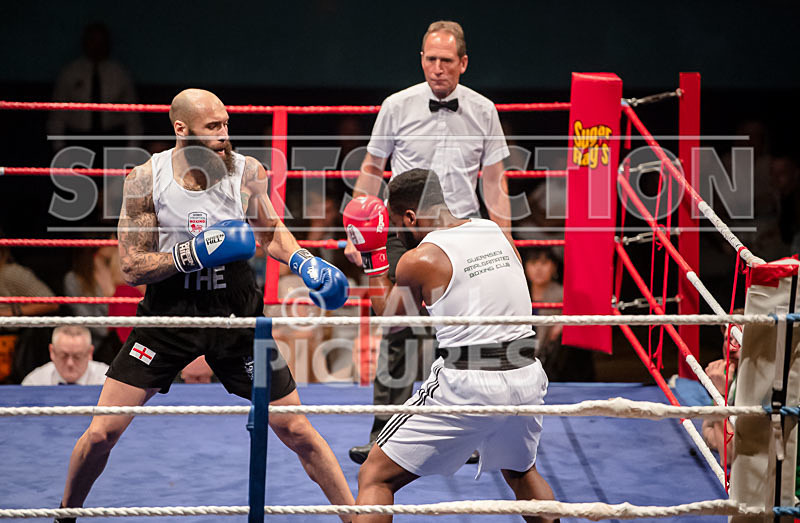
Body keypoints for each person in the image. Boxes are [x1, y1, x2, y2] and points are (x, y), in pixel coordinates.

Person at [56, 89, 354, 523]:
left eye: (226, 124)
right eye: (213, 127)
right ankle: (64, 515)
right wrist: (191, 253)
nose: (224, 135)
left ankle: (358, 519)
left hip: (235, 312)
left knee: (297, 429)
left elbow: (269, 232)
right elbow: (132, 266)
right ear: (182, 129)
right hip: (168, 314)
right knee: (101, 433)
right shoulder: (144, 178)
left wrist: (304, 260)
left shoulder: (245, 171)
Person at [344, 169, 556, 523]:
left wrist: (373, 257)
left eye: (398, 225)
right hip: (527, 375)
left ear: (411, 216)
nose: (399, 234)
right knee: (521, 473)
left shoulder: (420, 259)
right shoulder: (496, 232)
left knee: (374, 475)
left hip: (468, 384)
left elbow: (393, 319)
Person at [345, 20, 512, 463]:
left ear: (463, 63)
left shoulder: (484, 110)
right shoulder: (396, 106)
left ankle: (465, 436)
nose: (437, 68)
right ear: (421, 59)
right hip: (405, 231)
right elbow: (372, 166)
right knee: (399, 329)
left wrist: (506, 241)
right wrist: (357, 226)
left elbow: (495, 183)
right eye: (430, 59)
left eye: (446, 60)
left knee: (466, 332)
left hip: (463, 235)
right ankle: (385, 437)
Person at [22, 326, 108, 386]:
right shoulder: (35, 382)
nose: (70, 363)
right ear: (52, 351)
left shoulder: (107, 381)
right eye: (63, 356)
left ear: (90, 353)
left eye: (77, 356)